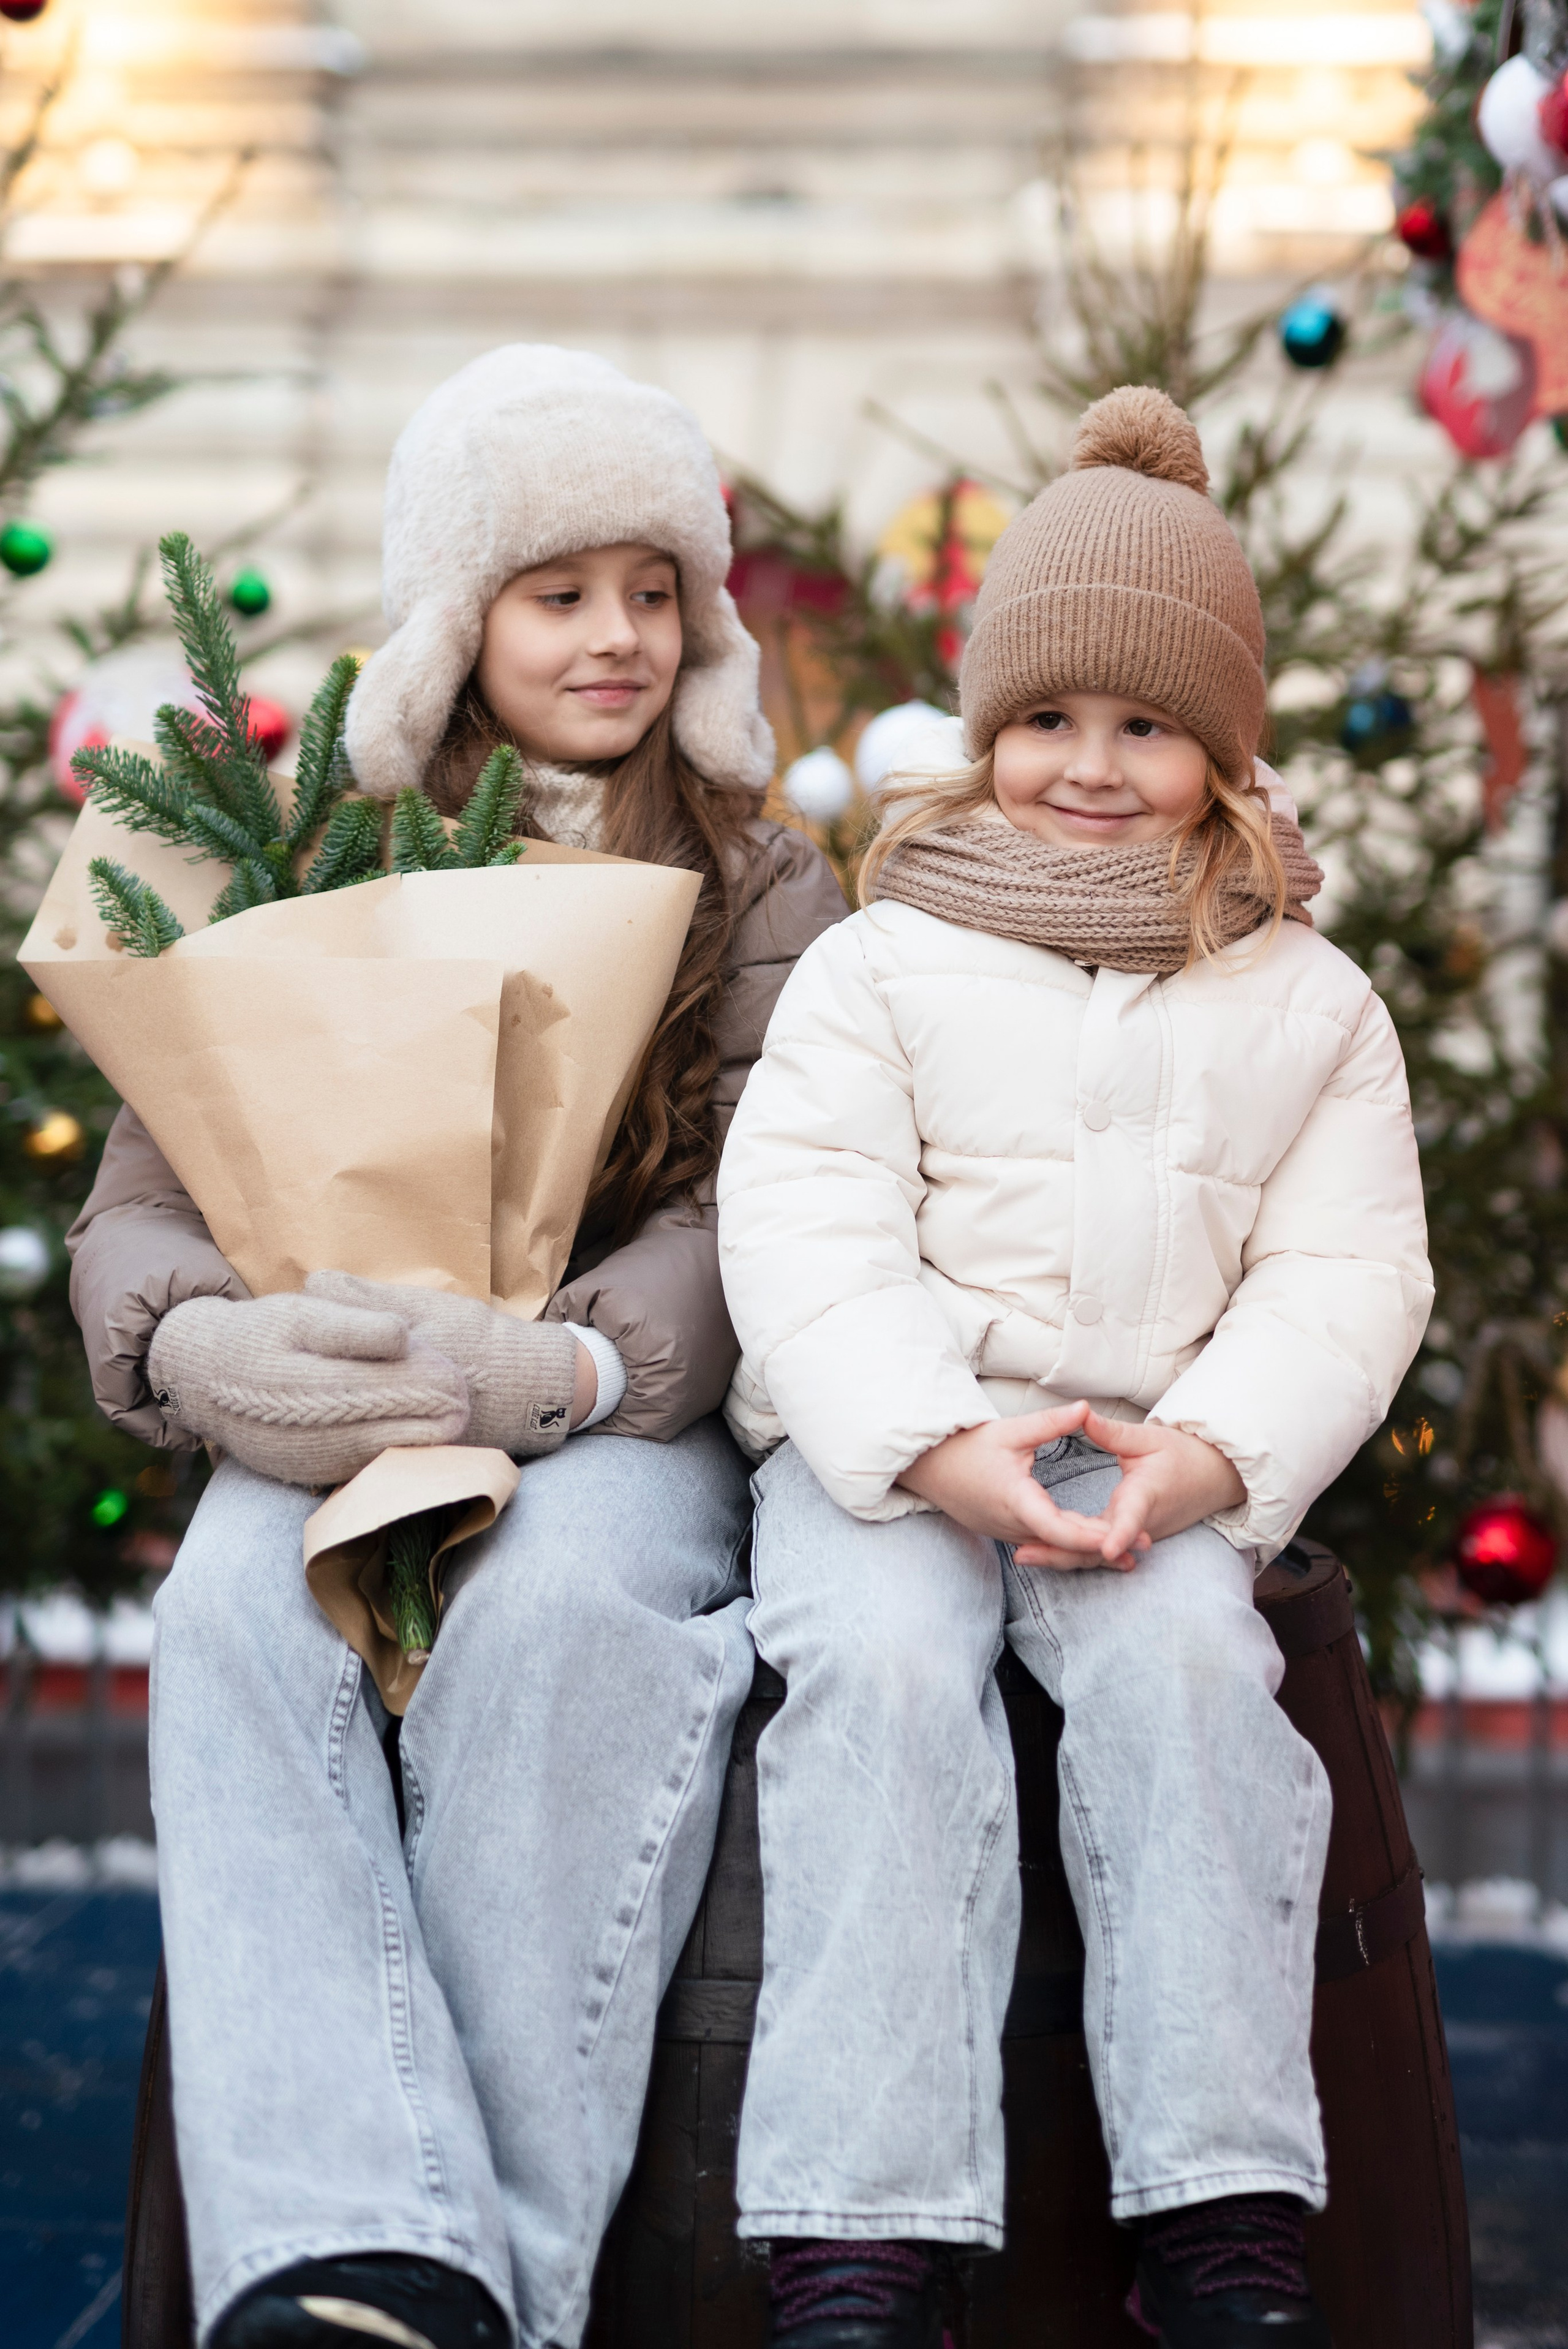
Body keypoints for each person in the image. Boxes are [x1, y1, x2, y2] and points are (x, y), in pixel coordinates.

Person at [67, 345, 846, 2349]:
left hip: (617, 1420)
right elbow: (148, 1181)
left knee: (574, 1610)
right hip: (332, 1398)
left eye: (653, 589)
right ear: (455, 616)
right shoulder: (316, 849)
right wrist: (201, 1349)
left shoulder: (763, 879)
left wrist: (574, 1372)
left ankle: (477, 2274)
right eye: (557, 590)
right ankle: (352, 2249)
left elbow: (772, 1201)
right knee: (243, 1610)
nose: (616, 637)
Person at [715, 385, 1433, 2349]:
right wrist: (934, 1440)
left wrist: (1207, 1459)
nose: (1089, 767)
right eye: (1046, 720)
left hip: (1150, 1456)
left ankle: (1220, 2213)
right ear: (985, 729)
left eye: (1146, 727)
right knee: (875, 1677)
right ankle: (862, 2230)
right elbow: (806, 1219)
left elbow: (1347, 1268)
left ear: (1224, 746)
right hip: (903, 1452)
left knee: (1202, 1679)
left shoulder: (1304, 993)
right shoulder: (887, 954)